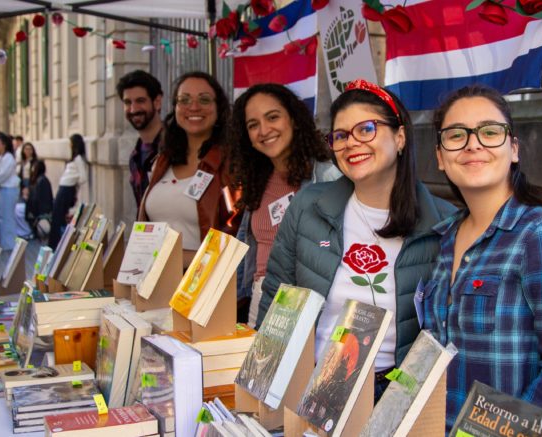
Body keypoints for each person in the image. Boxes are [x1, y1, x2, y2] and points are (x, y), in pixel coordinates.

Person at [256, 79, 456, 399]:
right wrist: (262, 379)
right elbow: (276, 297)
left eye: (366, 129)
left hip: (392, 392)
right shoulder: (309, 206)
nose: (351, 143)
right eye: (340, 136)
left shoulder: (444, 223)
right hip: (311, 383)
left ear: (400, 136)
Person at [425, 85, 542, 436]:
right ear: (440, 157)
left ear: (513, 149)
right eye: (457, 135)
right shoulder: (445, 238)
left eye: (489, 132)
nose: (473, 144)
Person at [228, 83, 341, 326]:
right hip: (262, 299)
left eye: (272, 117)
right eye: (253, 125)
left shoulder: (327, 176)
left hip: (309, 303)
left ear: (294, 119)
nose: (264, 130)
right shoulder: (257, 179)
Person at [138, 71, 239, 265]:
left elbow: (234, 239)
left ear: (219, 108)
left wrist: (177, 259)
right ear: (175, 107)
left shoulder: (231, 166)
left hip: (200, 286)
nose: (193, 107)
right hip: (152, 282)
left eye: (204, 99)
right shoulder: (162, 161)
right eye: (184, 100)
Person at [116, 70, 164, 210]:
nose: (133, 109)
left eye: (140, 101)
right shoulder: (135, 156)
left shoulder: (175, 148)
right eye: (127, 102)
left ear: (157, 102)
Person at [49, 134, 88, 249]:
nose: (69, 145)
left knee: (59, 217)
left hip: (67, 189)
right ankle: (55, 244)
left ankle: (58, 245)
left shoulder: (78, 159)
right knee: (57, 216)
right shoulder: (75, 158)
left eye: (71, 142)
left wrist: (73, 183)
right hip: (63, 189)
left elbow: (83, 177)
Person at [14, 142, 38, 239]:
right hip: (22, 185)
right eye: (26, 149)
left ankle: (28, 231)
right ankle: (21, 231)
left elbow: (34, 177)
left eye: (30, 149)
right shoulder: (21, 163)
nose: (28, 151)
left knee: (25, 209)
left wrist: (28, 189)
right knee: (18, 209)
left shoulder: (35, 163)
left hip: (31, 186)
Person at [25, 160, 53, 241]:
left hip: (41, 213)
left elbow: (35, 199)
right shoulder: (42, 180)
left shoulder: (40, 181)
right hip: (43, 211)